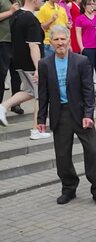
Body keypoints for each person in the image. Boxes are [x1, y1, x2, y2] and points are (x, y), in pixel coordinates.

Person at [37, 25, 96, 206]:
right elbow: (43, 93)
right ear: (50, 42)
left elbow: (88, 90)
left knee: (92, 151)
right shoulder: (44, 64)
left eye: (63, 39)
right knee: (62, 154)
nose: (60, 43)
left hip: (81, 113)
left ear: (69, 40)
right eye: (56, 39)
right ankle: (68, 188)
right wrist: (41, 118)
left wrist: (89, 114)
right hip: (60, 114)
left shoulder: (81, 61)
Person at [0, 0, 52, 140]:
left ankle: (3, 106)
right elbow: (33, 46)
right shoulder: (31, 19)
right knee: (40, 95)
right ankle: (36, 130)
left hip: (19, 61)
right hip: (30, 63)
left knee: (29, 91)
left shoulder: (17, 15)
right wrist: (38, 67)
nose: (42, 2)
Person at [0, 0, 23, 115]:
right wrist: (10, 12)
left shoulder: (18, 1)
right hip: (3, 41)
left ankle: (15, 104)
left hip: (17, 42)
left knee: (17, 74)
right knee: (1, 74)